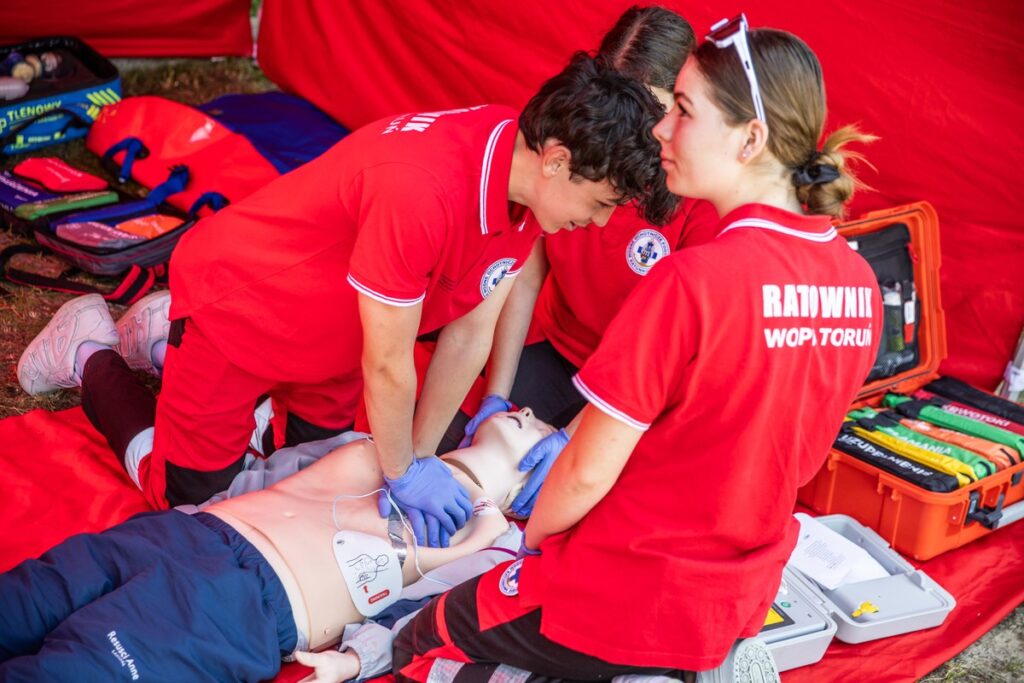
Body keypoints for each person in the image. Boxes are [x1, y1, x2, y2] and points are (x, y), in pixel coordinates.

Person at [392, 14, 882, 683]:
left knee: (418, 639)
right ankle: (679, 665)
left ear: (751, 139)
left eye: (680, 110)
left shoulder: (696, 278)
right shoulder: (858, 284)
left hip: (627, 587)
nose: (658, 130)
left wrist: (525, 545)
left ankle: (634, 669)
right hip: (736, 590)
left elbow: (589, 475)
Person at [16, 54, 672, 546]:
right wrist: (405, 469)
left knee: (319, 484)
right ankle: (92, 350)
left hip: (337, 338)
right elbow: (391, 367)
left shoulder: (522, 178)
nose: (599, 222)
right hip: (240, 309)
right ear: (558, 160)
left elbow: (469, 333)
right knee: (188, 506)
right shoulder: (424, 189)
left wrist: (410, 460)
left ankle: (161, 334)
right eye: (603, 202)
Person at [0, 408, 552, 682]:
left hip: (239, 607)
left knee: (79, 672)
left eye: (539, 425)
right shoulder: (393, 440)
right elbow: (275, 473)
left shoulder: (498, 545)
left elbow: (430, 620)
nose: (526, 410)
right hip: (188, 533)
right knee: (25, 600)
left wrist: (355, 661)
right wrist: (208, 515)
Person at [444, 5, 720, 517]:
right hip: (564, 350)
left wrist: (574, 435)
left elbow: (666, 346)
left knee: (573, 505)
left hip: (645, 384)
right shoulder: (581, 140)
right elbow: (523, 275)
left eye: (649, 110)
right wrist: (496, 397)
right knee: (461, 463)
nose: (629, 127)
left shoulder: (697, 186)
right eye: (616, 99)